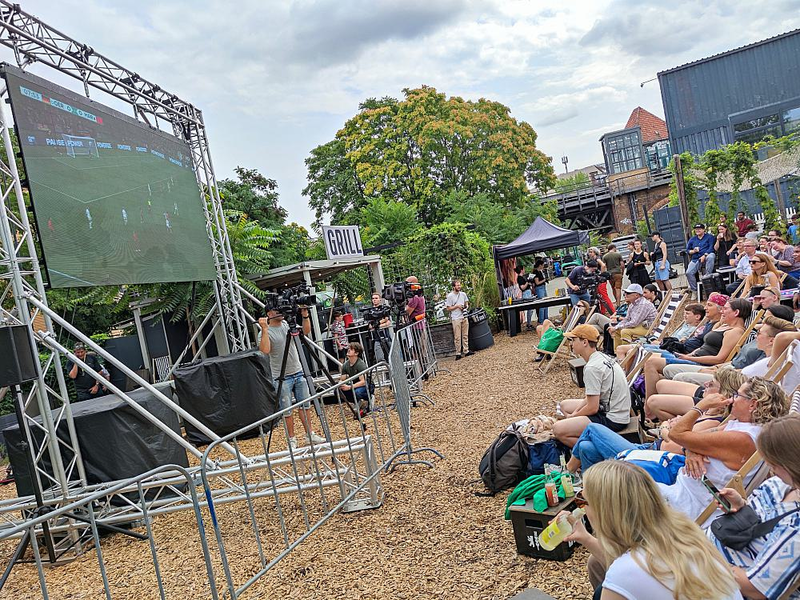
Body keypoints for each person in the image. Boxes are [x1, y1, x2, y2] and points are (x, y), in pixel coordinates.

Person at [564, 461, 742, 600]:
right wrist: (585, 538)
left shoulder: (625, 571)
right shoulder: (686, 532)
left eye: (582, 501)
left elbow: (626, 573)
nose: (582, 509)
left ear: (605, 511)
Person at [660, 377, 788, 526]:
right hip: (684, 487)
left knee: (629, 478)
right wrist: (690, 449)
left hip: (689, 503)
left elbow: (677, 434)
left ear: (752, 404)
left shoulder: (743, 438)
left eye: (737, 395)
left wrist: (702, 405)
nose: (732, 399)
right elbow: (691, 439)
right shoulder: (741, 426)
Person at [712, 414, 800, 600]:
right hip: (719, 547)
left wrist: (702, 557)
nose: (769, 466)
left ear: (789, 463)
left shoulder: (796, 530)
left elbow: (756, 589)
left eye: (772, 462)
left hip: (721, 583)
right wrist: (741, 507)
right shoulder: (780, 483)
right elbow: (764, 523)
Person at [642, 295, 749, 399]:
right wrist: (689, 355)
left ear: (736, 312)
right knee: (648, 360)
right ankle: (654, 402)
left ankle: (649, 408)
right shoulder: (723, 326)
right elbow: (704, 346)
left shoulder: (735, 332)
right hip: (693, 356)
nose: (722, 311)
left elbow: (720, 358)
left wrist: (689, 358)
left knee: (651, 362)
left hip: (701, 363)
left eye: (725, 309)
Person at [552, 324, 630, 447]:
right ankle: (584, 435)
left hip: (612, 418)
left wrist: (572, 417)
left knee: (558, 429)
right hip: (615, 409)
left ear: (585, 342)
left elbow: (592, 408)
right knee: (563, 405)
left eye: (573, 340)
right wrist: (574, 414)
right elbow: (591, 399)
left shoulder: (592, 368)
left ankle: (594, 450)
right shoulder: (602, 357)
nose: (571, 344)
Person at [259, 308, 326, 450]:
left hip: (298, 371)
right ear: (269, 314)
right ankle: (291, 439)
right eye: (277, 310)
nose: (281, 312)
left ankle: (310, 434)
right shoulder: (266, 331)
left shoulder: (287, 325)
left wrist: (305, 316)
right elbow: (265, 350)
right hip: (281, 376)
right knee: (287, 410)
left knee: (305, 405)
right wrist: (264, 329)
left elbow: (306, 331)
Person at [605, 283, 657, 349]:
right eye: (625, 293)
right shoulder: (633, 303)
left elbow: (634, 323)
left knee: (625, 331)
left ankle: (627, 354)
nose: (625, 295)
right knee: (617, 329)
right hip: (641, 325)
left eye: (628, 293)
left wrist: (616, 327)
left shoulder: (643, 304)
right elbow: (627, 319)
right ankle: (618, 353)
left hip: (649, 328)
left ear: (636, 295)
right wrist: (616, 327)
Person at [338, 341, 371, 416]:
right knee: (338, 391)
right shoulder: (345, 365)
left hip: (365, 385)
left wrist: (349, 387)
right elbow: (342, 379)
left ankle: (368, 398)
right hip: (354, 385)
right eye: (349, 348)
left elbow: (363, 382)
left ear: (356, 353)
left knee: (357, 392)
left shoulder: (360, 364)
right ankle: (358, 402)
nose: (348, 350)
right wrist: (340, 384)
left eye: (351, 349)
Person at [686, 223, 716, 299]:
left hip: (706, 256)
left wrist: (704, 255)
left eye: (699, 229)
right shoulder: (692, 239)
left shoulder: (710, 237)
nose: (697, 230)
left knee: (711, 256)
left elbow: (711, 248)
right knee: (688, 272)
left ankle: (707, 276)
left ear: (703, 230)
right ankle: (694, 291)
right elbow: (687, 250)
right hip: (696, 258)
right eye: (696, 229)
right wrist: (693, 251)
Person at [445, 279, 472, 360]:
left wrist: (465, 307)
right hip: (456, 318)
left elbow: (466, 303)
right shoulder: (450, 296)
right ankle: (458, 353)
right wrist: (457, 306)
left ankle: (466, 350)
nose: (459, 286)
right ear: (454, 287)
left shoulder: (463, 294)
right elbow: (448, 308)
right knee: (457, 336)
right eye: (457, 285)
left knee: (465, 335)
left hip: (464, 316)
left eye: (459, 285)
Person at [514, 264, 533, 329]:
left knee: (530, 309)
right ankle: (528, 324)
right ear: (521, 270)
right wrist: (527, 283)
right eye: (524, 269)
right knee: (529, 309)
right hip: (526, 293)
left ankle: (529, 323)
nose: (524, 270)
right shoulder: (519, 278)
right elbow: (522, 287)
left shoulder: (522, 277)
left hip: (528, 292)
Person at [531, 258, 548, 326]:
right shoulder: (535, 272)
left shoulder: (541, 271)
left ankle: (546, 319)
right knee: (542, 304)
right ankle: (541, 320)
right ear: (540, 265)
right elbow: (537, 283)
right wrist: (544, 280)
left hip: (543, 287)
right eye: (543, 265)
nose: (543, 266)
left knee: (546, 303)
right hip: (539, 288)